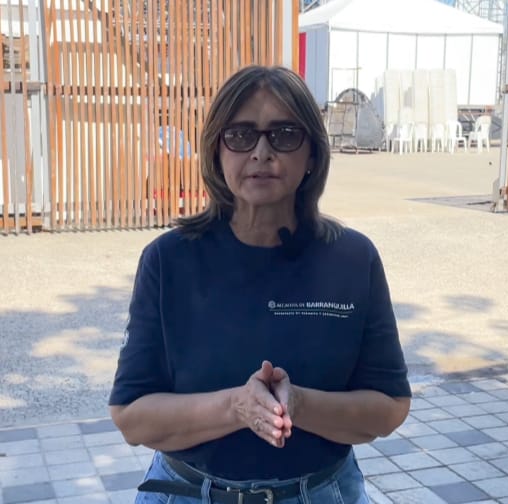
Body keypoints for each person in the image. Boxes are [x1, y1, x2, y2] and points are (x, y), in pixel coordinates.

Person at [109, 64, 412, 504]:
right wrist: (238, 407)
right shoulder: (169, 260)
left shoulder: (352, 259)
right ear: (216, 150)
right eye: (240, 135)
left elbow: (389, 407)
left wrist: (300, 405)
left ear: (313, 154)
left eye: (284, 135)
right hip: (188, 493)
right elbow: (131, 416)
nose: (261, 152)